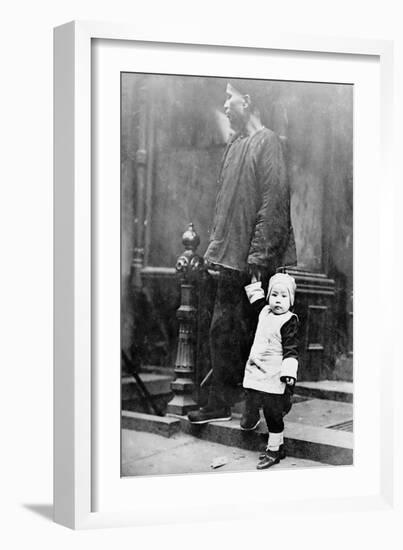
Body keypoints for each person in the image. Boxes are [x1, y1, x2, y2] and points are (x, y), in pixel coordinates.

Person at [188, 80, 296, 424]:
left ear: (246, 101)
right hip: (228, 259)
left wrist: (259, 260)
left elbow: (273, 206)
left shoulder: (269, 144)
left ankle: (259, 407)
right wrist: (214, 251)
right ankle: (221, 402)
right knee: (222, 331)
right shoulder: (235, 146)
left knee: (258, 338)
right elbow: (224, 207)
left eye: (228, 98)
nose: (224, 105)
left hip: (253, 264)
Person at [241, 273, 299, 469]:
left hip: (275, 374)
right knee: (252, 396)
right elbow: (257, 300)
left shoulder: (289, 321)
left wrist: (289, 373)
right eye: (274, 295)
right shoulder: (265, 312)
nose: (278, 300)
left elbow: (291, 349)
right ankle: (250, 418)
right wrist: (254, 282)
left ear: (290, 300)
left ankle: (274, 449)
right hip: (257, 369)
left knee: (273, 412)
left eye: (284, 296)